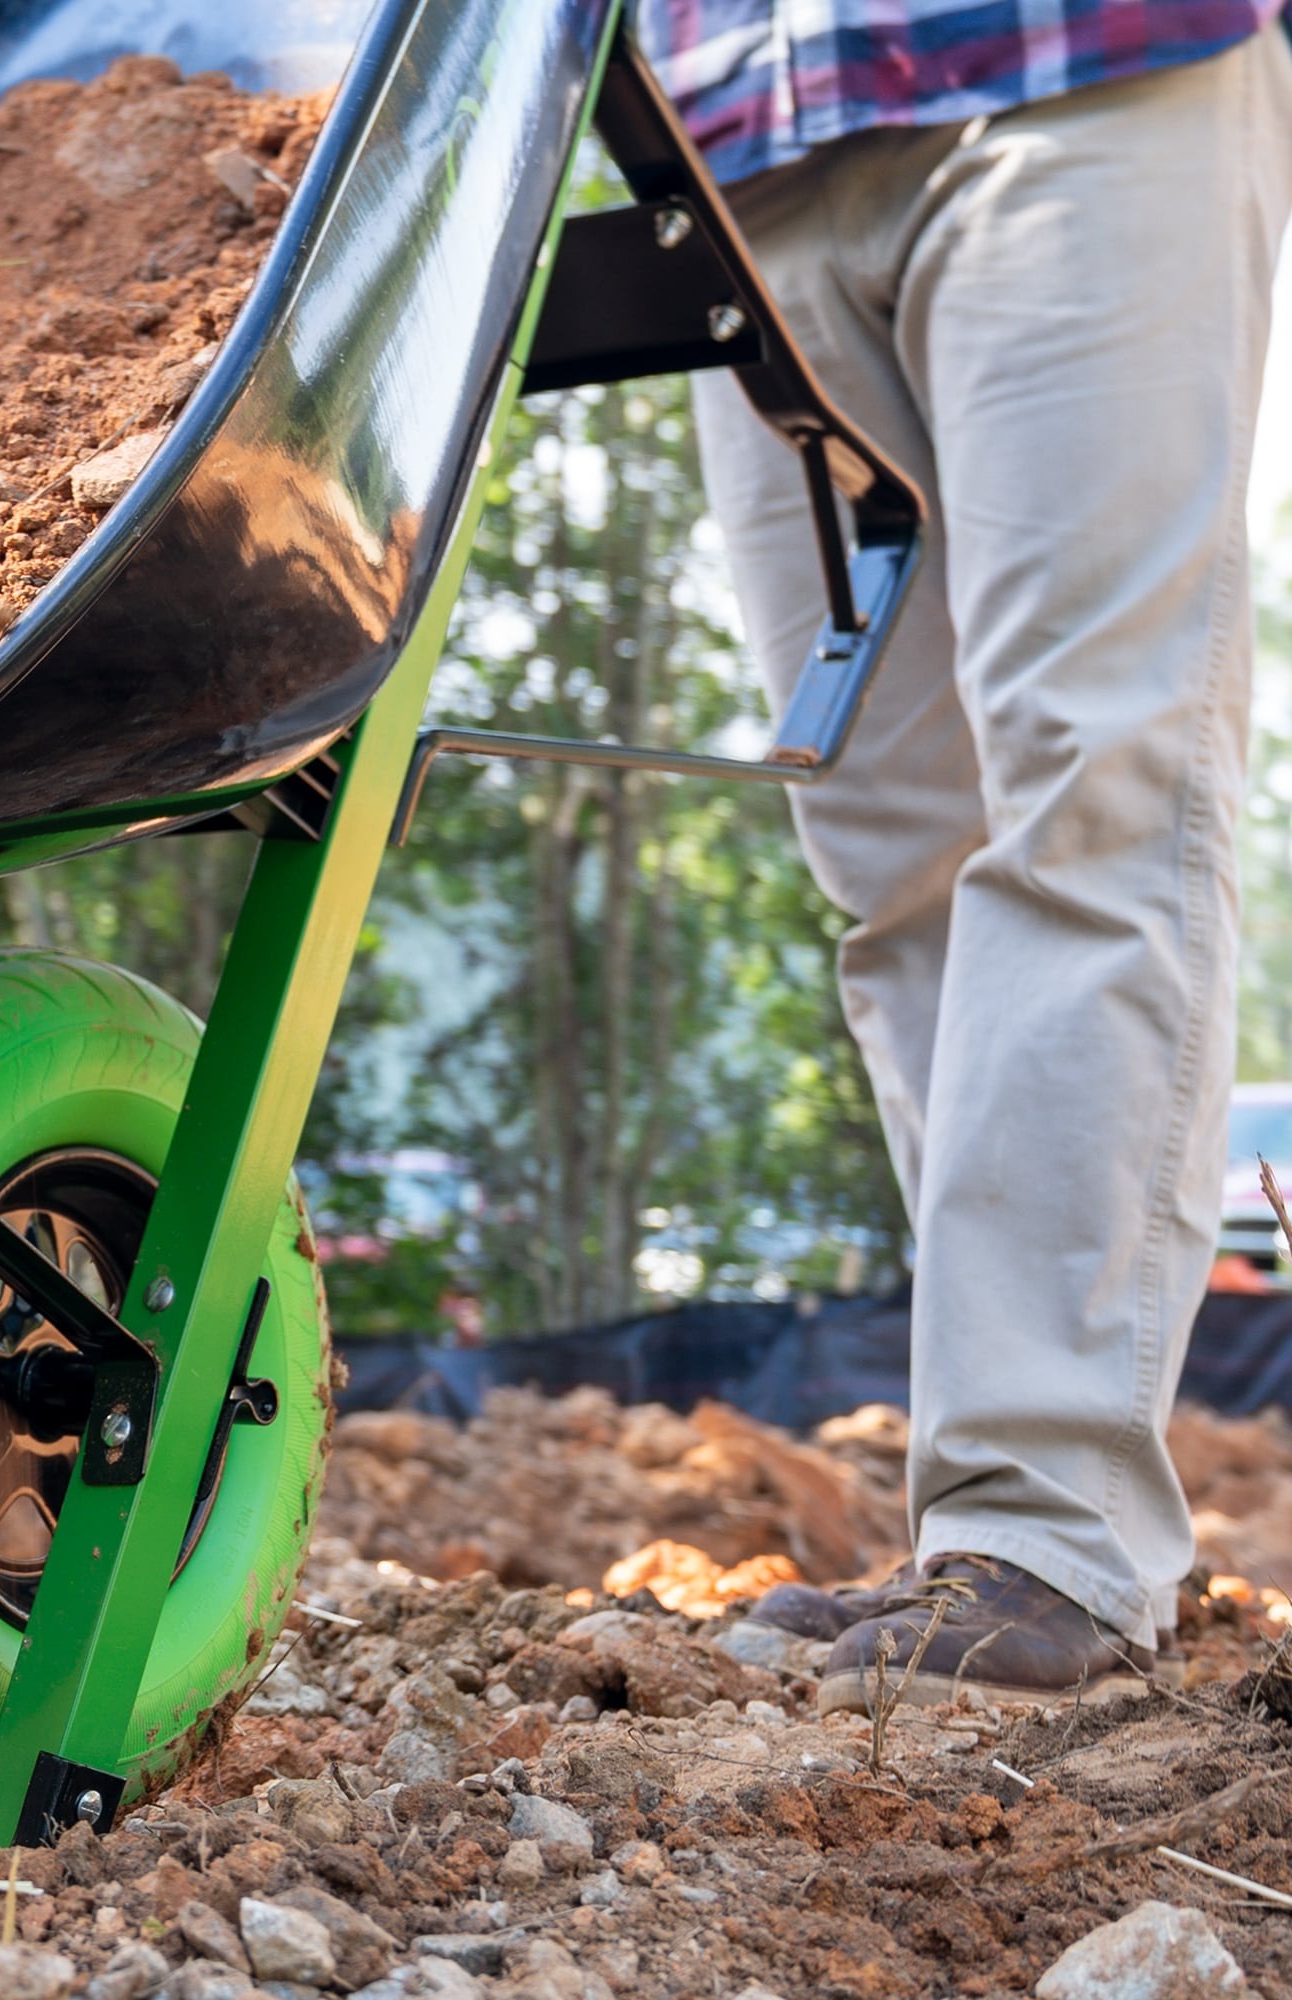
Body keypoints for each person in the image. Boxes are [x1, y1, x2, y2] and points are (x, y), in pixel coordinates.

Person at [638, 1, 1292, 1706]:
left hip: (1079, 67)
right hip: (736, 155)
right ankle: (984, 1529)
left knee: (1093, 793)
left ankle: (1050, 1529)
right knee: (890, 852)